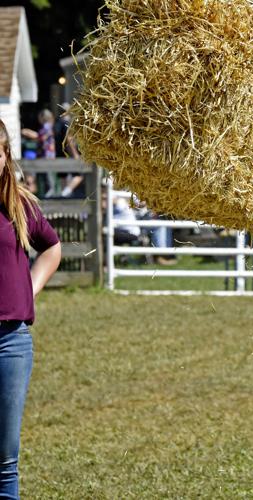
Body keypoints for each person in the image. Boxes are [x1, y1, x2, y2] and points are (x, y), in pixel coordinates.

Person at [0, 118, 61, 498]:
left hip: (11, 344)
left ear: (5, 156)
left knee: (5, 459)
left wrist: (29, 290)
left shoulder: (19, 206)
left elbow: (51, 248)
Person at [54, 103, 84, 198]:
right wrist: (75, 154)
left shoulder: (56, 124)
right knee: (79, 175)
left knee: (63, 176)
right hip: (68, 154)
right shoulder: (66, 123)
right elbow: (69, 138)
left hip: (59, 153)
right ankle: (66, 192)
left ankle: (64, 198)